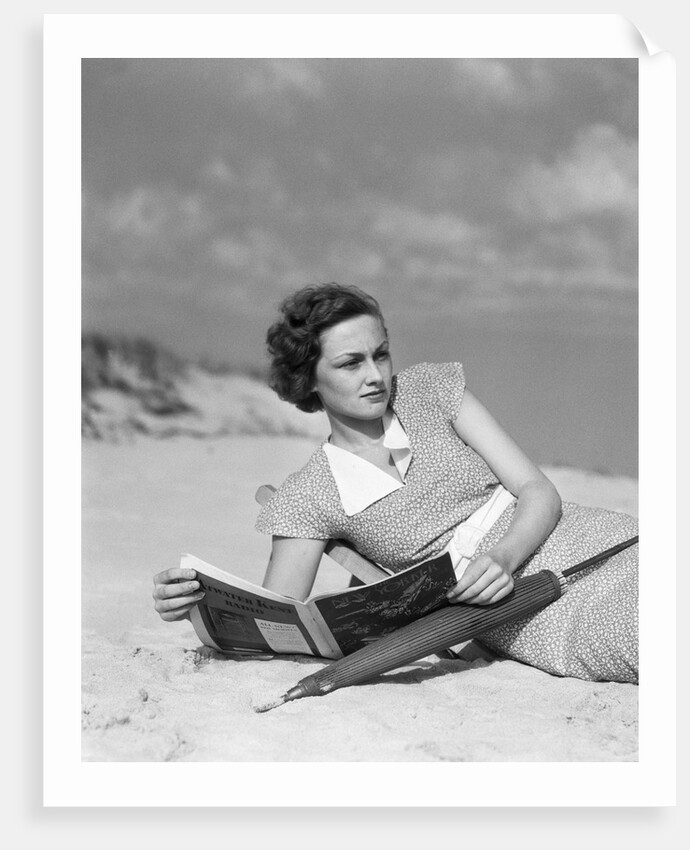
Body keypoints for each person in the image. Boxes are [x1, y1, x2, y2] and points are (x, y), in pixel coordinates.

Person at [153, 283, 638, 683]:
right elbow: (277, 622)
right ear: (308, 379)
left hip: (568, 536)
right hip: (506, 606)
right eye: (350, 363)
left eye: (380, 355)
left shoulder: (429, 390)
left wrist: (505, 556)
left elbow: (537, 490)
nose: (376, 376)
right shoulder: (311, 494)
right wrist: (193, 607)